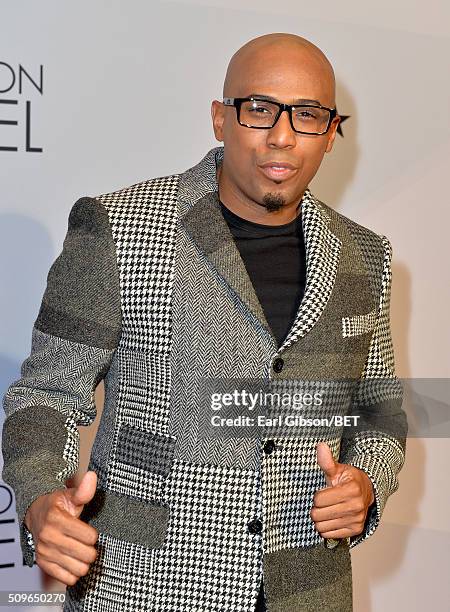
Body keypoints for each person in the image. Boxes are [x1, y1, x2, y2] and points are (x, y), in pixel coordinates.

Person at [1, 32, 407, 611]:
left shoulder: (365, 256)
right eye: (260, 109)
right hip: (145, 587)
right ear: (221, 118)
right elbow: (46, 393)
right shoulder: (119, 227)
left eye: (308, 116)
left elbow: (380, 406)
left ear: (332, 133)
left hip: (309, 590)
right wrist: (43, 496)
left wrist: (367, 479)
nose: (283, 136)